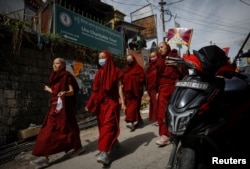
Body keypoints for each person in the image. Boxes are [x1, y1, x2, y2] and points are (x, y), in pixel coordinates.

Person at [30, 58, 84, 168]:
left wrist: (65, 93)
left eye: (57, 63)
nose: (54, 65)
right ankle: (44, 156)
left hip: (64, 107)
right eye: (53, 63)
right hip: (54, 107)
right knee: (47, 130)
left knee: (68, 128)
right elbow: (56, 92)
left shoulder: (67, 76)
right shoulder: (54, 77)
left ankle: (77, 148)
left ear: (63, 65)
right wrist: (48, 89)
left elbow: (72, 91)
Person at [85, 50, 125, 165]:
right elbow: (95, 91)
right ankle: (114, 142)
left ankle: (104, 153)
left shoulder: (116, 71)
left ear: (109, 58)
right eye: (100, 57)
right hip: (101, 104)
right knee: (103, 127)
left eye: (103, 57)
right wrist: (89, 104)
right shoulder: (98, 73)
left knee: (108, 125)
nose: (101, 59)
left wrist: (123, 102)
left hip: (112, 103)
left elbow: (119, 88)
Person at [155, 42, 188, 146]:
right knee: (162, 113)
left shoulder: (175, 57)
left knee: (173, 112)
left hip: (175, 88)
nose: (160, 49)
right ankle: (164, 135)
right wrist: (156, 91)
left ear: (167, 47)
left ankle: (174, 133)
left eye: (162, 47)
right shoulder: (159, 60)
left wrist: (177, 66)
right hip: (162, 89)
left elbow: (185, 73)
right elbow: (157, 78)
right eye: (159, 48)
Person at [123, 54, 145, 131]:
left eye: (130, 60)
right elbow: (124, 80)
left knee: (133, 107)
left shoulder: (139, 69)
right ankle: (139, 120)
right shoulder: (126, 69)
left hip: (136, 91)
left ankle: (130, 122)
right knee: (130, 107)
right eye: (128, 60)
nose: (129, 61)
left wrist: (131, 80)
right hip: (128, 92)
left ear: (134, 60)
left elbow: (142, 79)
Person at [146, 51, 160, 125]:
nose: (152, 58)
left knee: (157, 104)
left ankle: (160, 119)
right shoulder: (149, 67)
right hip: (151, 89)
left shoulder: (159, 66)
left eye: (154, 56)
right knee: (154, 104)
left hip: (157, 88)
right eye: (151, 57)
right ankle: (157, 118)